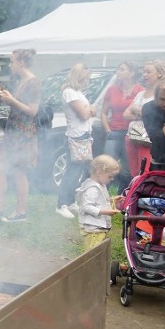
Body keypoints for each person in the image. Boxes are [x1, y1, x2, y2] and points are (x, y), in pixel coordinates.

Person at [0, 48, 40, 222]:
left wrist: (11, 100)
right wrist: (3, 96)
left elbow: (33, 111)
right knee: (0, 166)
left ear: (20, 63)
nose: (10, 65)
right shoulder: (19, 80)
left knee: (19, 171)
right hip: (12, 130)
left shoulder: (33, 82)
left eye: (12, 61)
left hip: (24, 132)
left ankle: (21, 212)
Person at [56, 64, 97, 219]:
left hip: (84, 134)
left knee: (78, 171)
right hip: (76, 135)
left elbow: (90, 111)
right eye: (86, 78)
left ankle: (70, 200)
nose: (87, 81)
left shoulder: (78, 92)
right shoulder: (69, 92)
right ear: (80, 77)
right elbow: (84, 114)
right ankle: (61, 204)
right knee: (71, 172)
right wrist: (90, 109)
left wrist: (90, 110)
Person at [100, 61, 143, 191]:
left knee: (127, 168)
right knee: (106, 165)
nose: (118, 72)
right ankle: (101, 196)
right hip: (114, 132)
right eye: (118, 69)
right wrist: (108, 131)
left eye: (122, 69)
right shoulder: (112, 90)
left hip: (131, 133)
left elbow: (143, 114)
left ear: (131, 73)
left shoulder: (140, 91)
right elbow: (103, 113)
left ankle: (123, 198)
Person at [124, 60, 165, 177]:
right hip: (131, 136)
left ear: (159, 73)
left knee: (145, 172)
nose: (144, 75)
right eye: (143, 72)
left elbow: (159, 114)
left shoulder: (162, 94)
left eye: (148, 72)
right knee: (134, 172)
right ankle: (135, 193)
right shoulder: (140, 93)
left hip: (147, 139)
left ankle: (143, 193)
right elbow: (126, 114)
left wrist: (137, 110)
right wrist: (144, 113)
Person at [76, 155, 121, 251]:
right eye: (110, 176)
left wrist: (112, 199)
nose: (112, 179)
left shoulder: (101, 184)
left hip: (98, 227)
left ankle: (96, 264)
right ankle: (90, 266)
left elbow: (99, 200)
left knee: (98, 251)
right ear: (99, 172)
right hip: (93, 229)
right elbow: (86, 207)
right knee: (92, 253)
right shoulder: (92, 189)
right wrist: (105, 212)